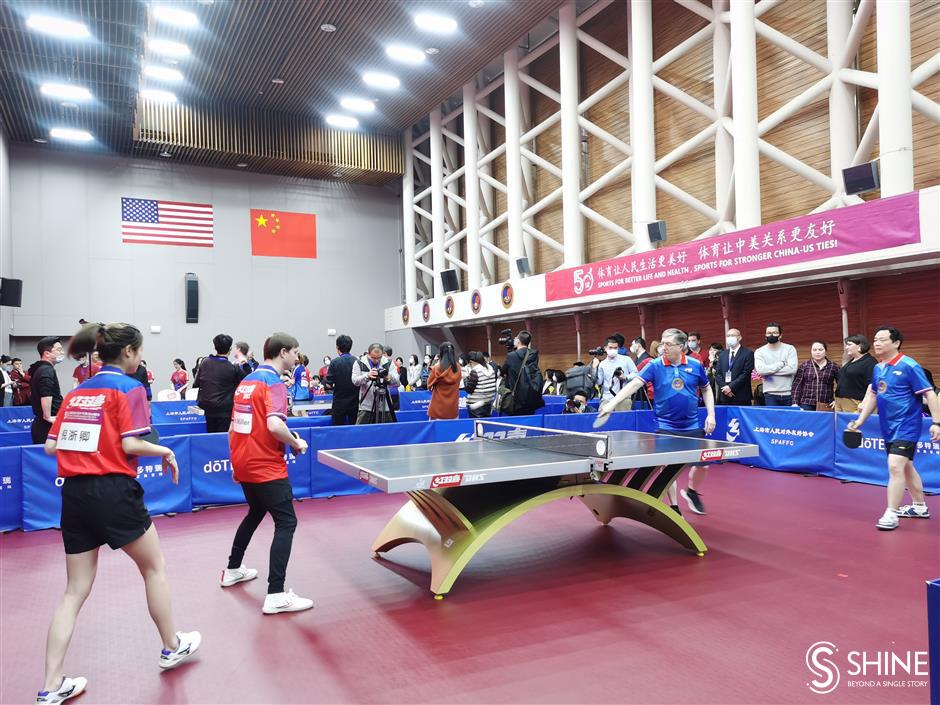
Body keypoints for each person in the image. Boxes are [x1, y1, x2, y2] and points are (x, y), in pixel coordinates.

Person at [37, 323, 200, 704]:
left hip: (74, 495)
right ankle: (171, 645)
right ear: (128, 352)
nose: (140, 358)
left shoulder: (78, 392)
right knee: (154, 567)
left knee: (74, 591)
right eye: (140, 352)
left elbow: (50, 447)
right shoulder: (129, 388)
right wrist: (166, 452)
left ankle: (50, 685)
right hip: (113, 490)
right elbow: (130, 441)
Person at [222, 332, 313, 614]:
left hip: (244, 461)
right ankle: (275, 594)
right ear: (283, 352)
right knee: (286, 522)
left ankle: (232, 569)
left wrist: (236, 462)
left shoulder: (245, 382)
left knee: (256, 512)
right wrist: (296, 442)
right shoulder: (274, 383)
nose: (297, 358)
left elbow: (232, 429)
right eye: (295, 352)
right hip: (265, 465)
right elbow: (274, 425)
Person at [600, 328, 717, 516]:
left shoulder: (695, 365)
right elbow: (635, 384)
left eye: (668, 344)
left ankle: (692, 491)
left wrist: (711, 415)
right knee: (667, 467)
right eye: (662, 343)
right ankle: (674, 507)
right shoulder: (655, 365)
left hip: (692, 424)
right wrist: (612, 404)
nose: (663, 348)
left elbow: (706, 388)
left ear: (681, 347)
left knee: (703, 464)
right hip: (666, 425)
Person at [847, 327, 940, 530]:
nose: (877, 343)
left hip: (907, 425)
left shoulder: (909, 365)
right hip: (887, 426)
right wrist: (860, 420)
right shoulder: (878, 368)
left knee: (895, 466)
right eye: (875, 339)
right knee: (906, 466)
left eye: (882, 339)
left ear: (896, 343)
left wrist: (936, 422)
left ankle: (891, 513)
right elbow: (872, 394)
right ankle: (920, 506)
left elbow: (929, 394)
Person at [195, 334, 247, 433]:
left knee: (211, 437)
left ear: (215, 347)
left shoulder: (205, 362)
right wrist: (245, 364)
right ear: (230, 349)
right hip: (225, 411)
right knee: (222, 439)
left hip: (208, 409)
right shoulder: (232, 368)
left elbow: (196, 383)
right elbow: (246, 380)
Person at [29, 337, 65, 445]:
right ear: (47, 353)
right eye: (58, 350)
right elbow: (46, 393)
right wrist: (48, 416)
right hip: (46, 426)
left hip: (43, 424)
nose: (62, 352)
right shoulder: (46, 370)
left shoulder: (40, 368)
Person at [500, 331, 545, 416]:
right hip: (530, 398)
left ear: (518, 341)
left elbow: (503, 372)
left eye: (516, 338)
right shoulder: (533, 355)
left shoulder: (511, 356)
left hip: (516, 399)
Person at [352, 343, 399, 424]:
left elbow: (397, 380)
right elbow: (355, 381)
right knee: (362, 433)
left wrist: (389, 377)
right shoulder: (359, 362)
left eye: (379, 358)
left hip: (385, 405)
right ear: (368, 354)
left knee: (388, 433)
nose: (376, 360)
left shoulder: (388, 362)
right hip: (366, 406)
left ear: (383, 354)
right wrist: (367, 376)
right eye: (373, 358)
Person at [754, 322, 798, 406]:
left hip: (788, 393)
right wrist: (781, 364)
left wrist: (768, 371)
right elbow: (760, 371)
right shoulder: (759, 351)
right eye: (769, 333)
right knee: (772, 419)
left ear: (780, 335)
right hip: (770, 394)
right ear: (765, 335)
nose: (771, 335)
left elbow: (792, 369)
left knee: (789, 419)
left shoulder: (790, 349)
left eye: (775, 333)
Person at [791, 342, 839, 411]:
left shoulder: (833, 366)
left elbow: (841, 384)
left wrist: (836, 400)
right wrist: (795, 403)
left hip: (826, 403)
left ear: (825, 351)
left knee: (824, 422)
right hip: (806, 403)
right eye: (814, 350)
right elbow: (796, 385)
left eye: (820, 349)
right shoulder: (804, 366)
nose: (817, 352)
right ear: (811, 352)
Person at [834, 334, 877, 413]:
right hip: (840, 401)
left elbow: (872, 384)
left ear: (859, 346)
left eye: (849, 345)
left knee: (851, 424)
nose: (846, 348)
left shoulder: (870, 362)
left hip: (855, 402)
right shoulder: (851, 361)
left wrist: (865, 402)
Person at [596, 336, 638, 412]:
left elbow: (636, 373)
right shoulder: (602, 364)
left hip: (624, 398)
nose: (613, 350)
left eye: (615, 348)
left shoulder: (626, 359)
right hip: (607, 399)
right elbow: (599, 382)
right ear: (605, 348)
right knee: (603, 422)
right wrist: (593, 369)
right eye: (610, 347)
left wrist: (626, 377)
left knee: (624, 422)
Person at [715, 329, 754, 406]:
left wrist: (730, 387)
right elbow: (718, 373)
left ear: (739, 338)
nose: (730, 338)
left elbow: (746, 373)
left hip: (741, 395)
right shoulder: (722, 354)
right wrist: (725, 388)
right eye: (728, 336)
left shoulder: (748, 353)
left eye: (732, 335)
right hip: (724, 395)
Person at [326, 335, 357, 426]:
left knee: (337, 431)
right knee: (354, 431)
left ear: (337, 347)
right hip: (355, 404)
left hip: (339, 404)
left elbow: (329, 385)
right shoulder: (357, 361)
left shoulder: (334, 362)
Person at [427, 343, 462, 420]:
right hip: (452, 410)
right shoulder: (458, 368)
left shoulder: (436, 368)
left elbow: (429, 385)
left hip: (437, 409)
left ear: (441, 353)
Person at [465, 351, 496, 418]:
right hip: (488, 404)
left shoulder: (475, 371)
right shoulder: (491, 369)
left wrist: (466, 379)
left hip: (476, 405)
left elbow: (469, 389)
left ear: (472, 361)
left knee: (476, 427)